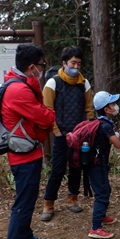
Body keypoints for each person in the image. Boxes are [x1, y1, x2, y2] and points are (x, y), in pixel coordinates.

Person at [2, 44, 57, 239]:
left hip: (28, 151)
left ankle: (25, 237)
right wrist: (51, 113)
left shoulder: (20, 83)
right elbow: (44, 117)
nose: (43, 69)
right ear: (32, 66)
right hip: (24, 156)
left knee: (28, 199)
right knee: (23, 203)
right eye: (42, 65)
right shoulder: (18, 90)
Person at [41, 46, 95, 221]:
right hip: (61, 134)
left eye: (79, 63)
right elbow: (47, 109)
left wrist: (89, 129)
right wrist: (56, 132)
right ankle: (48, 203)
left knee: (76, 167)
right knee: (57, 169)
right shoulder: (53, 82)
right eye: (73, 62)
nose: (76, 66)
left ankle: (73, 198)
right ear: (64, 63)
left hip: (79, 134)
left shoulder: (83, 83)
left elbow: (89, 108)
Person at [87, 91, 120, 239]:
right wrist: (116, 136)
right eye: (112, 104)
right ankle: (95, 228)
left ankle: (101, 216)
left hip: (95, 164)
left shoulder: (99, 122)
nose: (115, 106)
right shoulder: (105, 126)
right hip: (97, 165)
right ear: (106, 109)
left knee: (105, 189)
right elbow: (118, 145)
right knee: (102, 193)